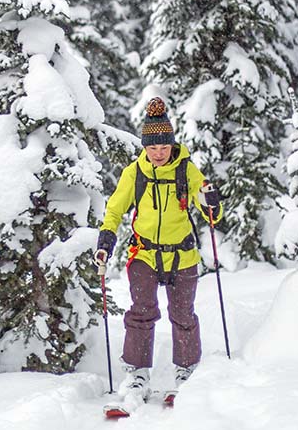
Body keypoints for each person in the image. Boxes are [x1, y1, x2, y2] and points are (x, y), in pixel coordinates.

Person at [94, 96, 222, 401]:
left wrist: (211, 202)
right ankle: (137, 376)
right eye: (153, 148)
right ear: (145, 147)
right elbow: (114, 210)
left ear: (172, 144)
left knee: (183, 314)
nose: (159, 153)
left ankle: (187, 371)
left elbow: (211, 214)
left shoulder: (186, 170)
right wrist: (105, 242)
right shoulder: (135, 173)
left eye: (164, 147)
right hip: (145, 253)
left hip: (182, 253)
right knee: (141, 312)